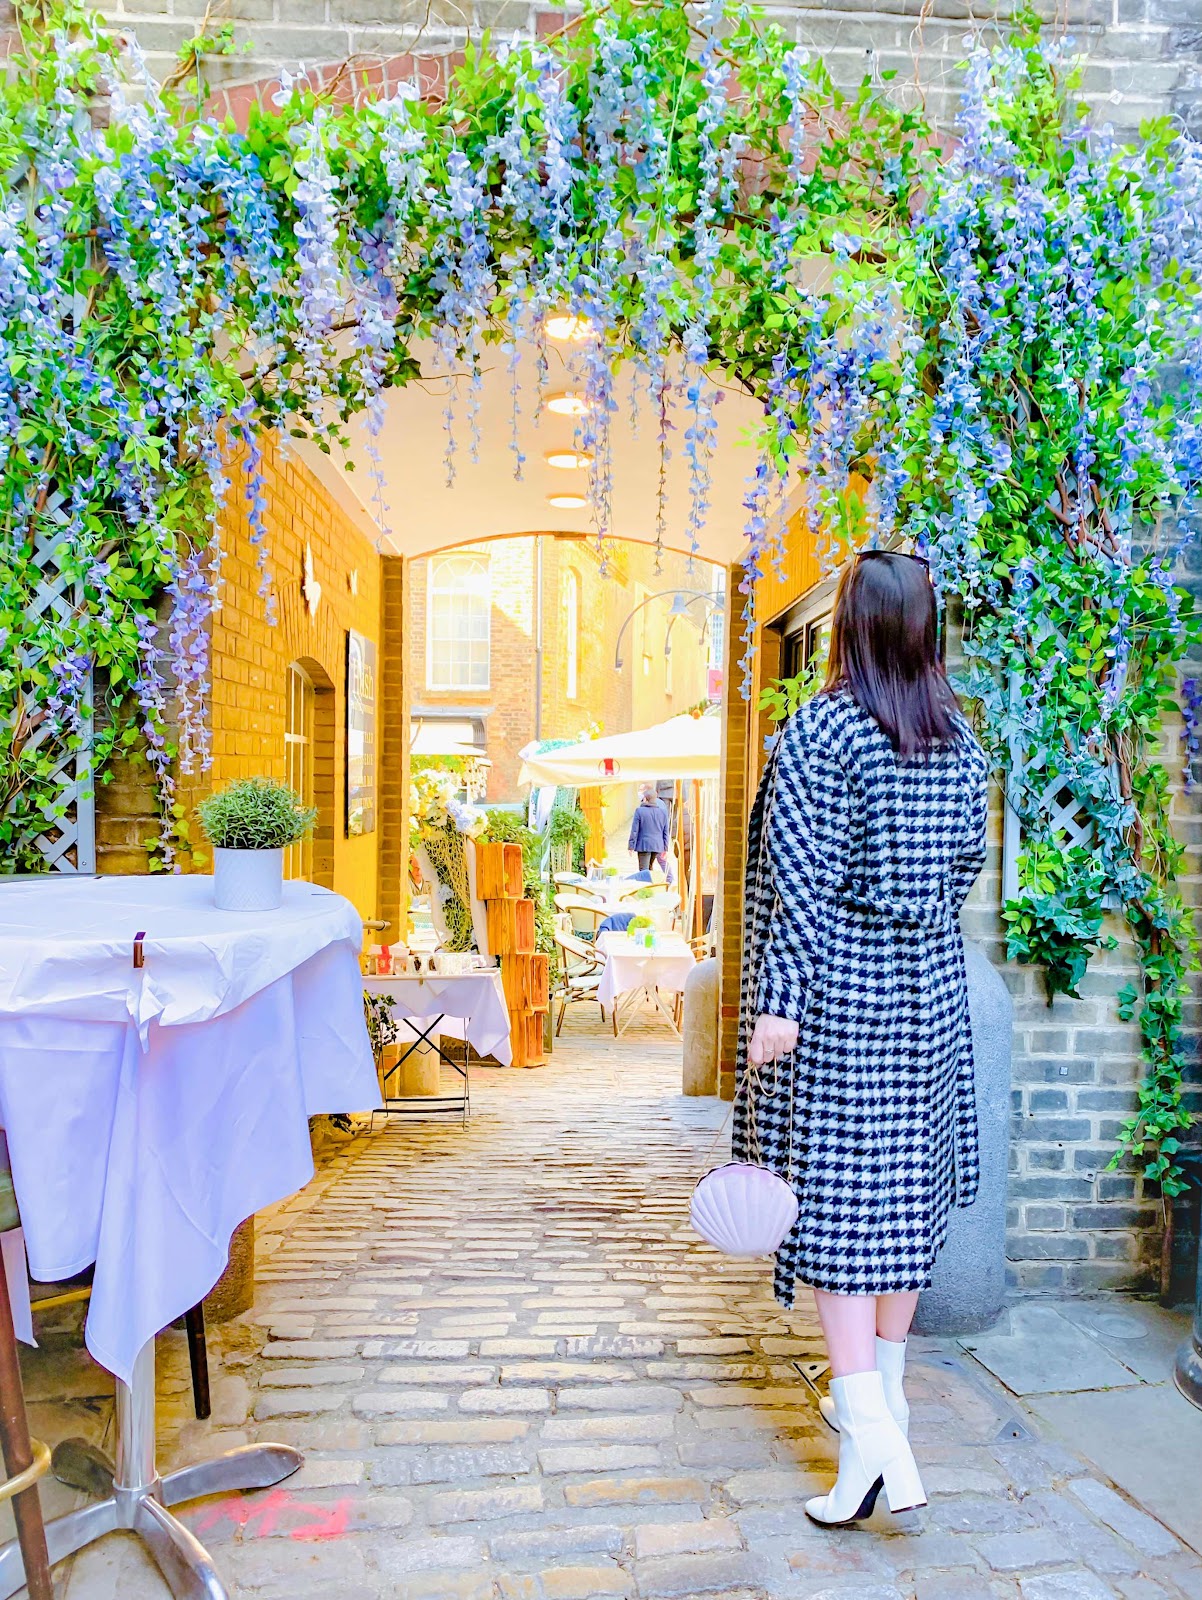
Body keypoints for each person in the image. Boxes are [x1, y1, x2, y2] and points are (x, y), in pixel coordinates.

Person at [734, 550, 988, 1528]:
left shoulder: (823, 731)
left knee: (841, 1212)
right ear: (924, 629)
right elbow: (963, 866)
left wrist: (779, 1004)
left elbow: (799, 885)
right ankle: (883, 1414)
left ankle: (872, 1432)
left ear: (849, 625)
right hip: (929, 989)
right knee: (903, 1200)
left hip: (842, 989)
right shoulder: (956, 740)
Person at [627, 783, 670, 873]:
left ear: (645, 799)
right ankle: (651, 881)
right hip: (657, 845)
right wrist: (665, 848)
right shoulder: (662, 812)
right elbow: (665, 831)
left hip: (644, 845)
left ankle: (647, 882)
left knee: (644, 871)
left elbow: (634, 830)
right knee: (649, 868)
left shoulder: (640, 811)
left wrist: (631, 846)